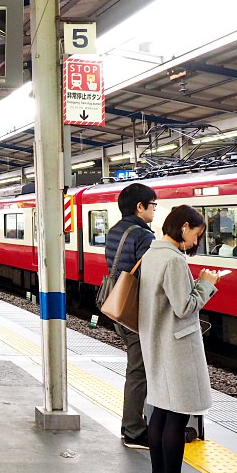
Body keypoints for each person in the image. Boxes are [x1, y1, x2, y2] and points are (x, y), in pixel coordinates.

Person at [138, 204, 222, 473]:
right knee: (177, 416)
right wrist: (206, 285)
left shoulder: (152, 253)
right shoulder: (173, 261)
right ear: (183, 227)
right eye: (196, 234)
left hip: (157, 342)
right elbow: (184, 307)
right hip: (175, 347)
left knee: (160, 411)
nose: (195, 242)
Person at [104, 182, 157, 450]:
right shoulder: (144, 236)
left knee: (137, 368)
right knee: (139, 371)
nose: (155, 210)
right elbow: (150, 275)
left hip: (117, 305)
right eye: (153, 205)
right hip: (136, 310)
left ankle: (136, 424)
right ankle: (134, 431)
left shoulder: (114, 231)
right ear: (140, 206)